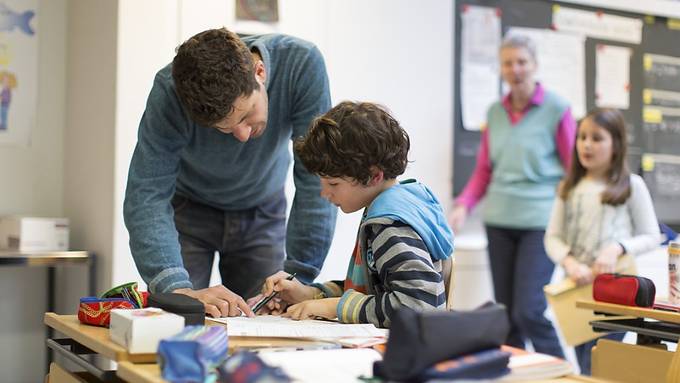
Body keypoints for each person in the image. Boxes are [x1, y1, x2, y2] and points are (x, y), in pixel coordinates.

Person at [123, 28, 337, 318]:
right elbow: (146, 193)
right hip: (188, 213)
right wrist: (176, 289)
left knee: (269, 327)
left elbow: (316, 178)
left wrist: (299, 276)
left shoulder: (301, 64)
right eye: (224, 128)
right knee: (181, 321)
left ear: (259, 72)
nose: (243, 135)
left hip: (262, 211)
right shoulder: (170, 91)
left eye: (247, 115)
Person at [255, 101, 454, 328]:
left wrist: (333, 307)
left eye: (333, 183)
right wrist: (310, 294)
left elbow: (420, 305)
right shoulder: (397, 205)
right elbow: (372, 289)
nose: (324, 193)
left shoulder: (391, 226)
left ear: (373, 176)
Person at [449, 34, 576, 358]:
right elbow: (484, 171)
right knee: (507, 316)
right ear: (501, 68)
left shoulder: (557, 109)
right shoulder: (494, 112)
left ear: (534, 65)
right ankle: (514, 375)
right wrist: (463, 204)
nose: (515, 69)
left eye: (522, 61)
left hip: (540, 223)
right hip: (499, 220)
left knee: (528, 310)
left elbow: (572, 170)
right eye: (508, 62)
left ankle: (561, 372)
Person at [544, 108, 659, 375]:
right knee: (584, 368)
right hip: (576, 291)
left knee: (600, 366)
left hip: (616, 294)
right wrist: (570, 262)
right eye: (582, 137)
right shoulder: (568, 187)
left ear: (616, 144)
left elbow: (652, 235)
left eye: (597, 138)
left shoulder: (632, 185)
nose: (586, 144)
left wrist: (618, 248)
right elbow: (553, 237)